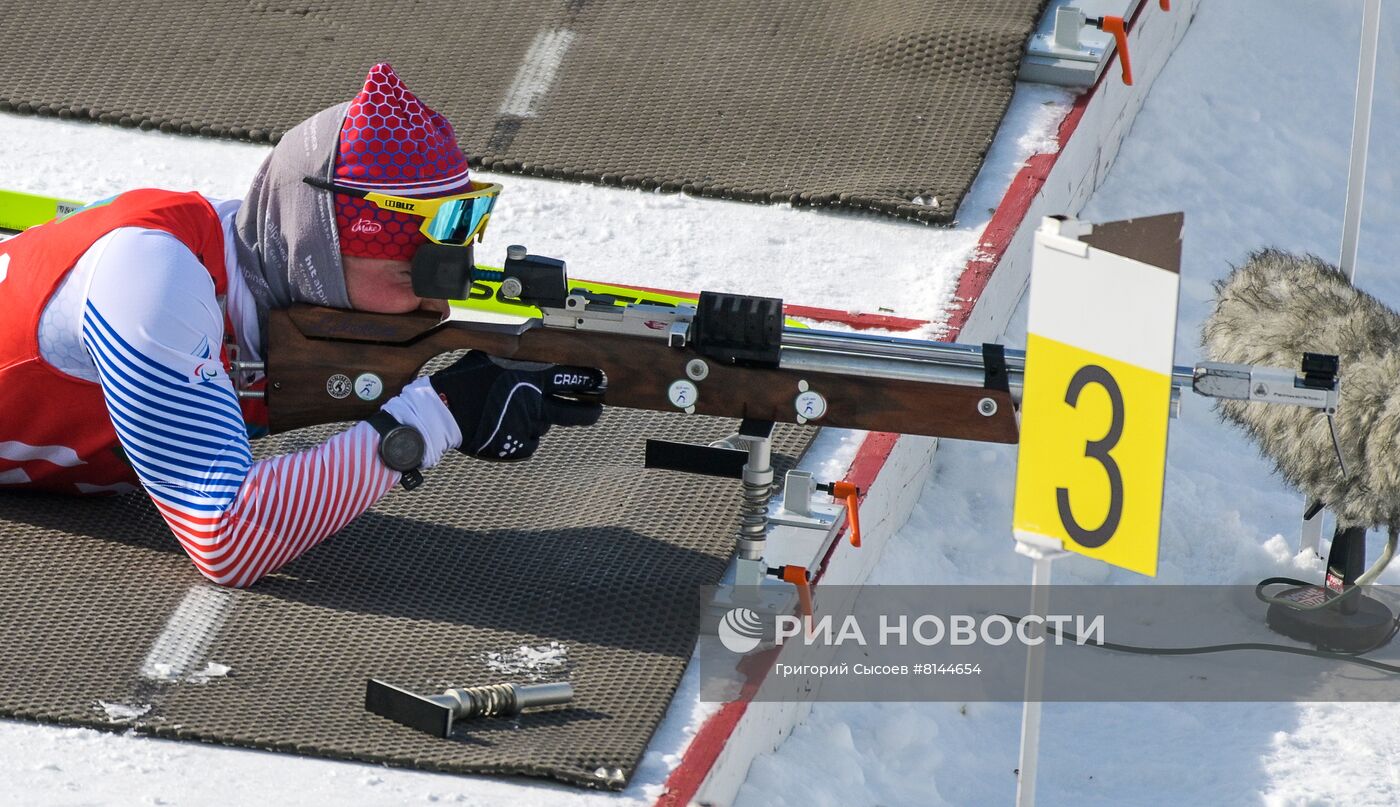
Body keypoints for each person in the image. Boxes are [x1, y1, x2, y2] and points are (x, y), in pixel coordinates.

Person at [0, 63, 605, 587]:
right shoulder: (154, 282)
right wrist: (438, 416)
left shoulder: (255, 260)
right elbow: (227, 540)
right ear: (316, 245)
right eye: (408, 276)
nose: (437, 309)